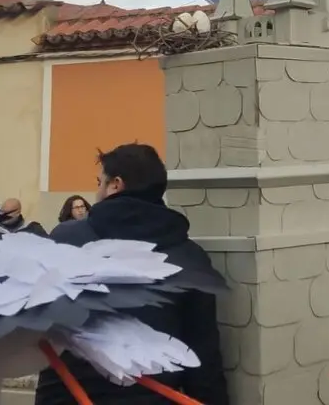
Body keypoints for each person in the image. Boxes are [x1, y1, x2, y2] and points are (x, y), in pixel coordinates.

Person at [34, 144, 228, 405]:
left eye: (100, 182)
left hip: (67, 396)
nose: (96, 192)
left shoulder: (66, 239)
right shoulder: (191, 258)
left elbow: (39, 327)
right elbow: (204, 361)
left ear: (115, 185)